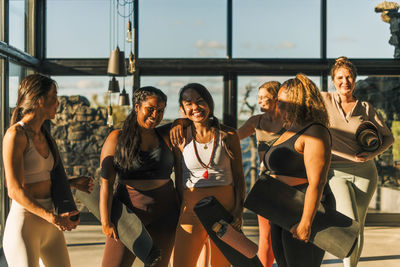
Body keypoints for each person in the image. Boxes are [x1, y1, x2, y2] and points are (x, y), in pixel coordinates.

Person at [2, 74, 82, 267]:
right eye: (54, 96)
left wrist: (72, 182)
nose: (57, 102)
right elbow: (13, 190)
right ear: (39, 100)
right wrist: (52, 218)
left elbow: (39, 178)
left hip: (50, 224)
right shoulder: (16, 135)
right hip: (25, 225)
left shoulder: (45, 135)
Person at [321, 57, 394, 267]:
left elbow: (389, 138)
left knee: (359, 225)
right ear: (333, 80)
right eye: (340, 77)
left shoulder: (365, 107)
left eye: (349, 77)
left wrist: (370, 156)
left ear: (355, 79)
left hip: (366, 173)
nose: (345, 81)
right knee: (349, 222)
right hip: (336, 172)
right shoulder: (324, 101)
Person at [99, 86, 180, 267]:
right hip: (128, 213)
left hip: (165, 213)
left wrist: (181, 123)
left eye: (160, 111)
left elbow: (187, 122)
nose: (155, 115)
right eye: (150, 109)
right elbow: (106, 183)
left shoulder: (166, 135)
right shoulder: (117, 137)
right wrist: (106, 220)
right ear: (137, 107)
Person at [172, 83, 246, 267]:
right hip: (191, 209)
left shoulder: (228, 134)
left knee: (220, 265)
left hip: (224, 210)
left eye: (200, 101)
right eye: (188, 103)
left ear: (209, 103)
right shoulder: (180, 136)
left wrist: (238, 211)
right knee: (181, 263)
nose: (195, 107)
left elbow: (238, 177)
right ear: (182, 109)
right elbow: (179, 179)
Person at [263, 73, 333, 267]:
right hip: (282, 208)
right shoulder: (290, 129)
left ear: (297, 101)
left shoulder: (315, 131)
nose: (278, 105)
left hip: (303, 208)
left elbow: (317, 182)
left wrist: (306, 222)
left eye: (282, 101)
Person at [237, 81, 284, 267]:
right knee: (266, 236)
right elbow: (233, 137)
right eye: (258, 98)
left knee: (286, 237)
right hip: (266, 184)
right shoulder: (256, 121)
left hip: (290, 184)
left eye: (264, 97)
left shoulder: (291, 122)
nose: (260, 101)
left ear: (277, 99)